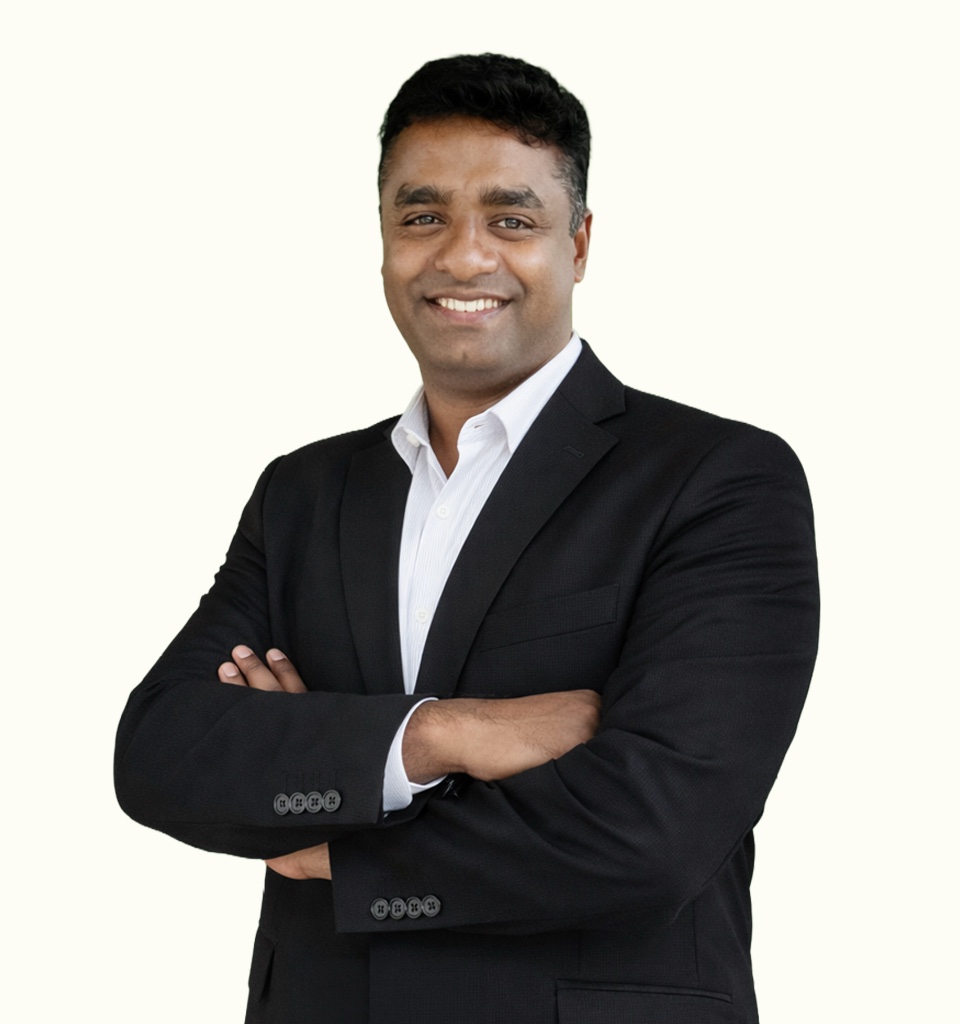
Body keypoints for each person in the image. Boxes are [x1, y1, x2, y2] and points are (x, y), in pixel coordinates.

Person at [115, 53, 819, 1024]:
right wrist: (443, 734)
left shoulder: (717, 480)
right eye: (422, 217)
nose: (462, 256)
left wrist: (338, 831)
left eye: (511, 219)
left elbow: (654, 833)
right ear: (383, 237)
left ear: (579, 243)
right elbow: (164, 755)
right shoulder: (304, 493)